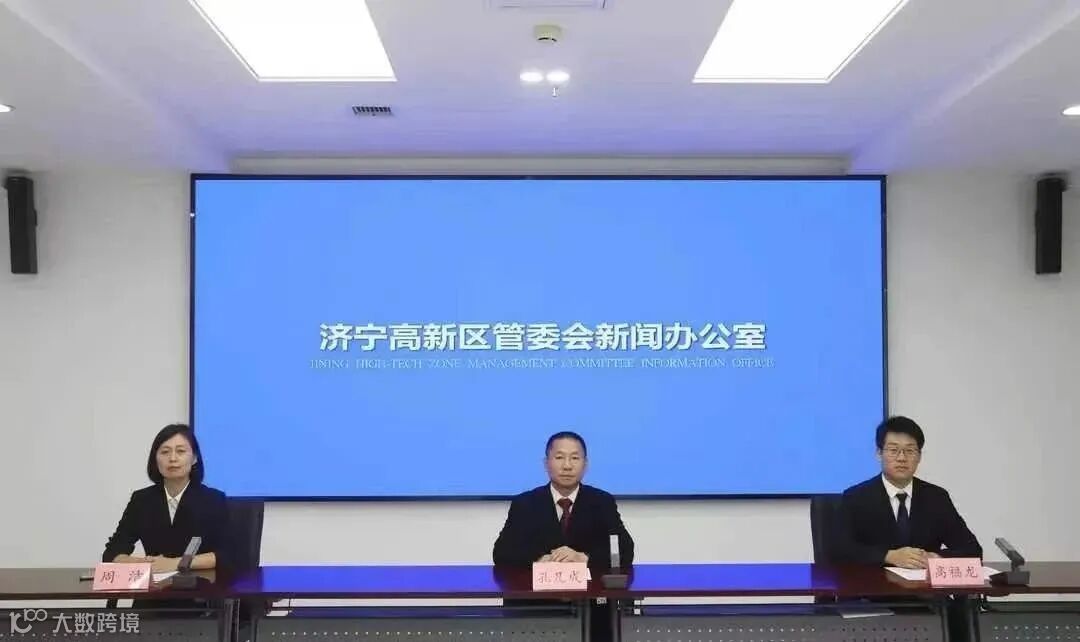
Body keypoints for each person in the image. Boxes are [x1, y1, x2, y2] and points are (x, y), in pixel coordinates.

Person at [493, 431, 633, 642]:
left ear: (585, 464)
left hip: (592, 610)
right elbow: (502, 553)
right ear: (546, 463)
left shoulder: (602, 502)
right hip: (536, 609)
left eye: (574, 458)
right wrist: (540, 559)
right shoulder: (525, 504)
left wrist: (584, 557)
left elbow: (625, 550)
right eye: (559, 457)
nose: (567, 466)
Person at [836, 416, 982, 568]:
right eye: (893, 450)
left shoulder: (936, 498)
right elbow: (839, 551)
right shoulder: (855, 498)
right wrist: (888, 556)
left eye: (910, 451)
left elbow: (972, 550)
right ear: (879, 453)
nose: (902, 458)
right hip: (875, 582)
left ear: (919, 456)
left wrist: (936, 557)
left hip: (923, 582)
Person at [103, 424, 229, 573]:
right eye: (165, 452)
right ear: (155, 459)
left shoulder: (213, 500)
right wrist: (145, 564)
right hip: (155, 585)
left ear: (194, 458)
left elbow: (228, 555)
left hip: (200, 584)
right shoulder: (141, 500)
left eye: (180, 451)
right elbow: (112, 552)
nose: (173, 458)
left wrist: (176, 563)